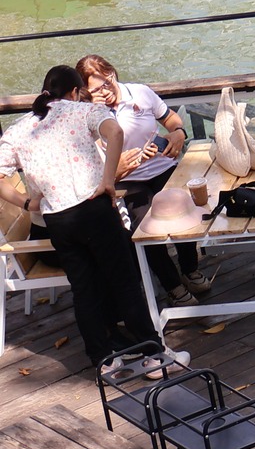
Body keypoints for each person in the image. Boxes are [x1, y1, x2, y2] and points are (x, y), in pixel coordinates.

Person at [0, 67, 184, 375]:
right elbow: (116, 133)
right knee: (124, 281)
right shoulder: (83, 111)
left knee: (84, 289)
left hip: (57, 217)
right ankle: (154, 356)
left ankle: (104, 361)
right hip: (94, 208)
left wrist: (28, 202)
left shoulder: (20, 129)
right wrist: (108, 180)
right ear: (74, 92)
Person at [75, 54, 207, 304]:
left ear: (112, 73)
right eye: (95, 90)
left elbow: (170, 118)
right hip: (127, 179)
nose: (105, 92)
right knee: (146, 228)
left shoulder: (139, 93)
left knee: (184, 209)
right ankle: (173, 285)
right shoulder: (88, 113)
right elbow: (92, 161)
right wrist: (118, 166)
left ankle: (190, 268)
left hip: (162, 165)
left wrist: (178, 133)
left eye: (106, 84)